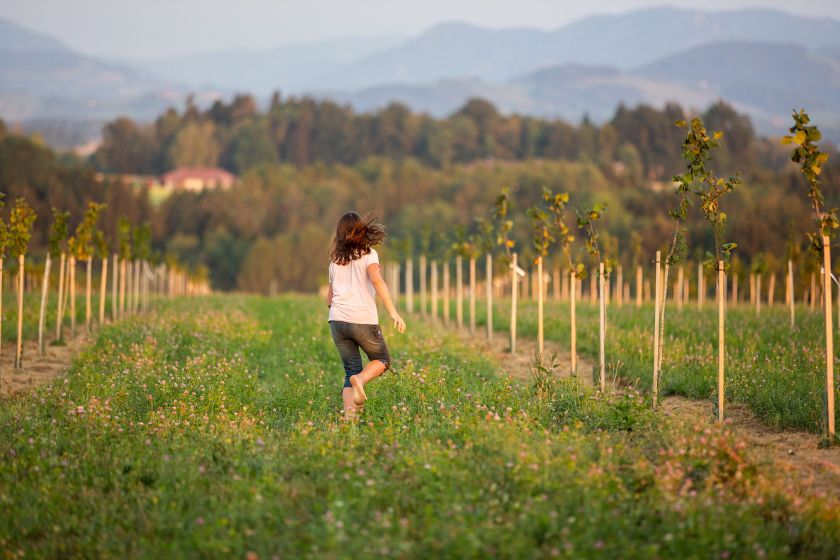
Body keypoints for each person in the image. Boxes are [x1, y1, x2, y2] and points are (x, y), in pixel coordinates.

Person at [326, 211, 406, 417]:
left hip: (336, 320)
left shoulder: (335, 260)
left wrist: (338, 313)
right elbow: (377, 281)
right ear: (361, 230)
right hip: (361, 318)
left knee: (350, 370)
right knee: (382, 360)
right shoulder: (369, 254)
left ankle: (349, 423)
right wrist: (393, 312)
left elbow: (329, 297)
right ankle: (361, 380)